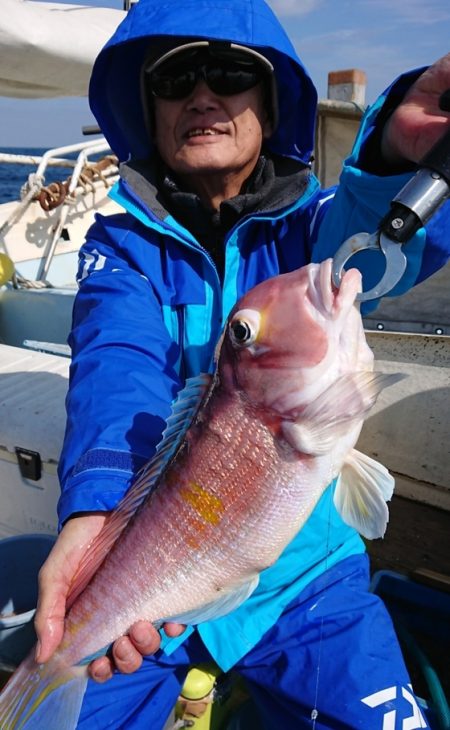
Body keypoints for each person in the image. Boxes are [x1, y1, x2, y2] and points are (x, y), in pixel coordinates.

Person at [34, 0, 450, 727]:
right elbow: (115, 367)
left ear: (270, 100)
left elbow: (369, 237)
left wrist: (389, 157)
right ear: (147, 108)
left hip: (310, 583)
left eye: (230, 73)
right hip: (157, 592)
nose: (203, 94)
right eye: (174, 79)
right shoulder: (122, 247)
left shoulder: (315, 227)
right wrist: (96, 512)